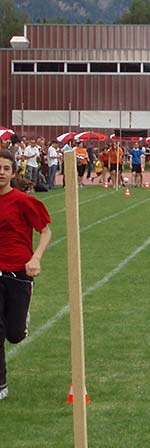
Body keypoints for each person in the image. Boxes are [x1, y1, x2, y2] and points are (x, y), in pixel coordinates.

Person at [0, 149, 52, 400]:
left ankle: (22, 323)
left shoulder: (23, 201)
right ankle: (1, 385)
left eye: (5, 168)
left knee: (14, 334)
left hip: (18, 272)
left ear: (13, 172)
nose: (1, 172)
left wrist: (36, 257)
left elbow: (46, 231)